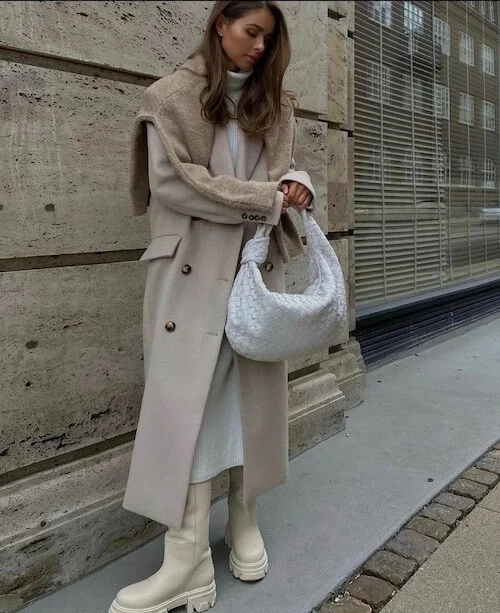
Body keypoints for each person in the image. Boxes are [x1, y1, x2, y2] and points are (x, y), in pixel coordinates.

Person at [109, 2, 315, 612]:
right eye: (251, 32)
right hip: (190, 272)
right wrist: (267, 198)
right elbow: (173, 183)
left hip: (252, 271)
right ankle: (187, 554)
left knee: (246, 399)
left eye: (268, 38)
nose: (258, 47)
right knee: (188, 407)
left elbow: (279, 177)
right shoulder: (169, 97)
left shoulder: (275, 104)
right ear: (220, 23)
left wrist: (294, 185)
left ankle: (244, 520)